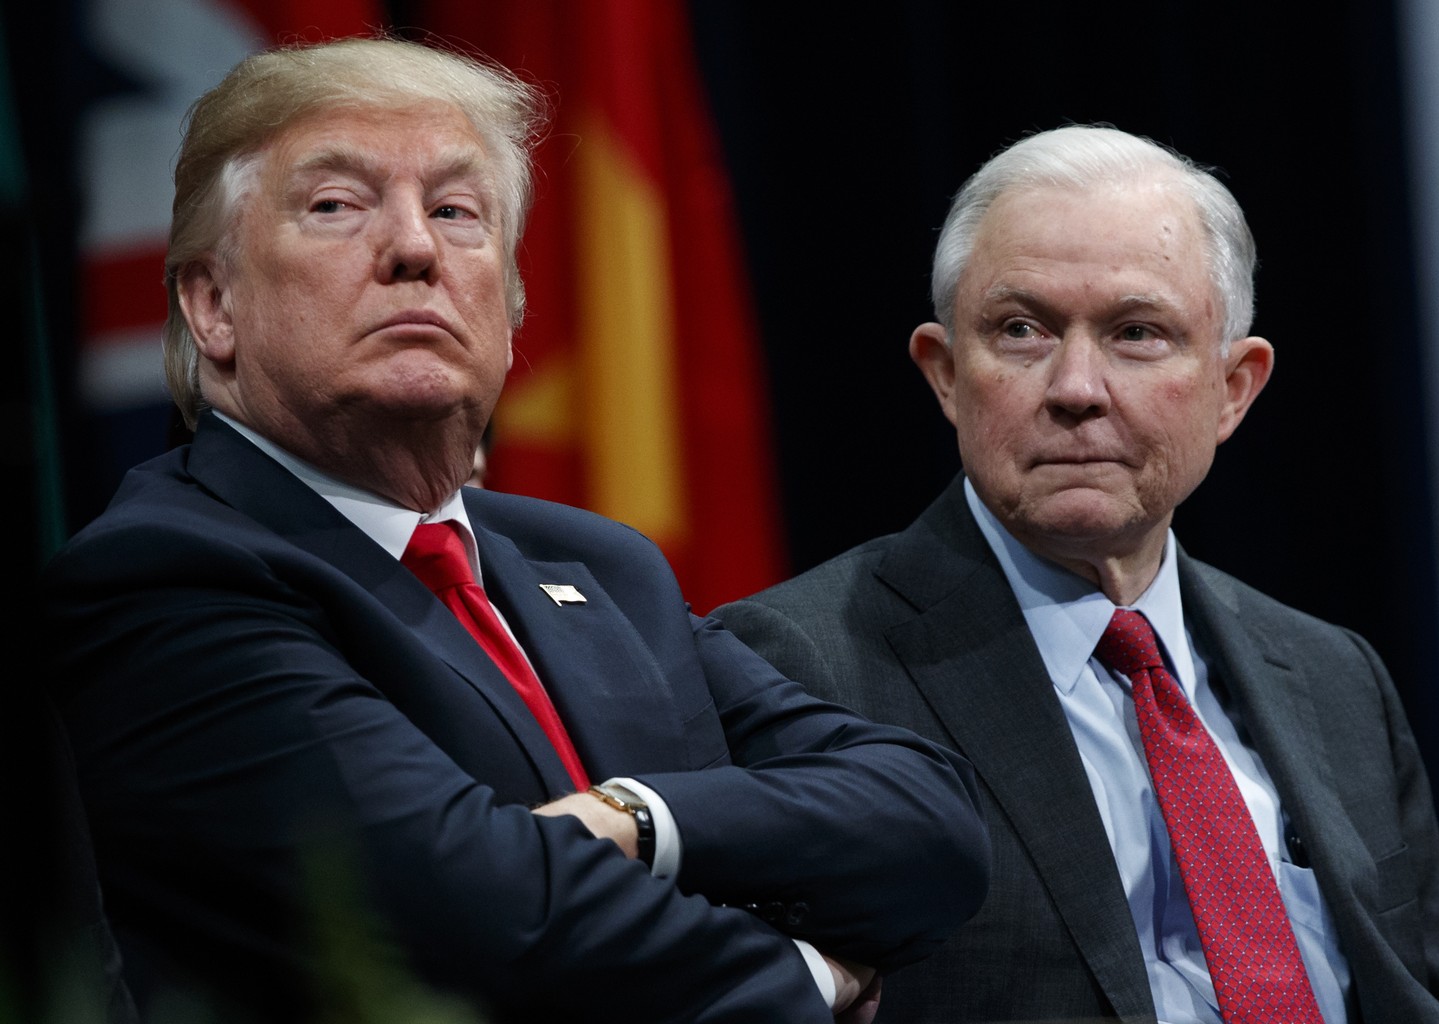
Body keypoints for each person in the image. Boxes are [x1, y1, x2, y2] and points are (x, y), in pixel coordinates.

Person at [42, 37, 989, 1023]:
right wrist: (812, 975)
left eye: (457, 212)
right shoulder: (164, 577)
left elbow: (932, 823)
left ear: (513, 306)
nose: (415, 248)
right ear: (213, 305)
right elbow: (482, 917)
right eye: (336, 206)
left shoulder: (598, 565)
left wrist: (637, 817)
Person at [715, 125, 1439, 1024]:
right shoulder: (794, 665)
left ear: (1233, 389)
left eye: (1137, 333)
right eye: (1022, 330)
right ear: (944, 375)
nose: (1077, 386)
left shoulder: (1335, 677)